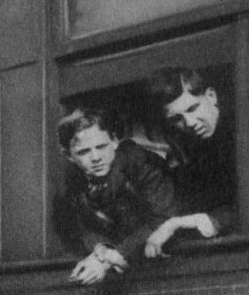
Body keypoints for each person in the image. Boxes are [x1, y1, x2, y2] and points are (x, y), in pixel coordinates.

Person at [55, 107, 178, 285]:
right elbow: (80, 230)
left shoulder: (142, 164)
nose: (96, 157)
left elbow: (163, 218)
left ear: (114, 141)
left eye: (101, 146)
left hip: (166, 267)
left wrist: (112, 257)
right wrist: (100, 250)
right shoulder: (72, 184)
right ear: (69, 156)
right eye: (84, 152)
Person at [144, 67, 236, 258]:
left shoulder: (241, 132)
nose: (190, 123)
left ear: (211, 96)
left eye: (193, 108)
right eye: (177, 119)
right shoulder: (193, 148)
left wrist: (207, 219)